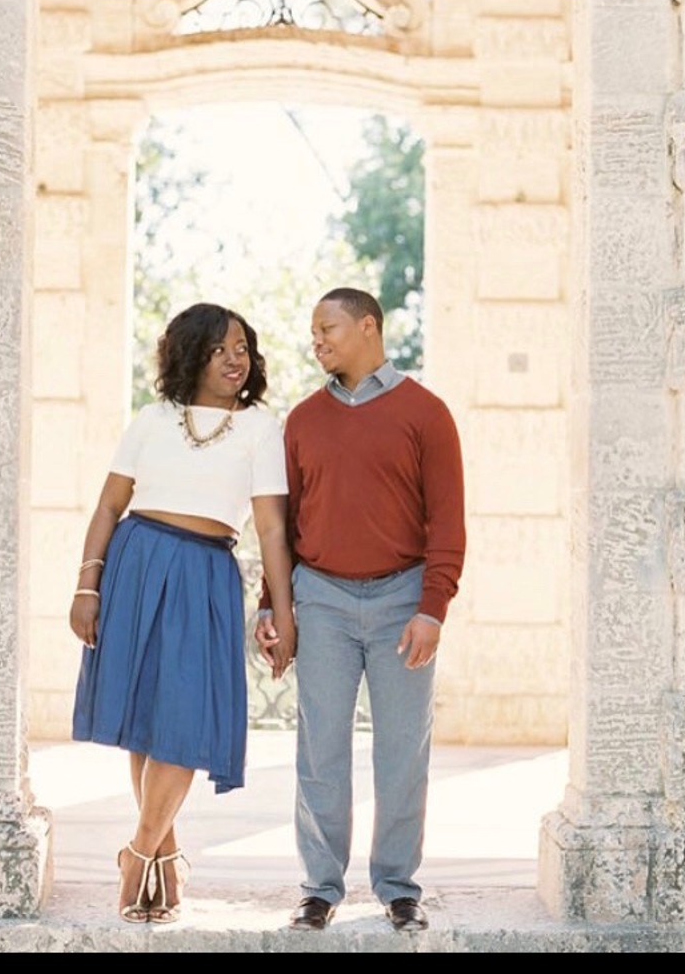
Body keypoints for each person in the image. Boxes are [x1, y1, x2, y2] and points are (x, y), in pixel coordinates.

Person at [70, 302, 297, 926]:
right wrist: (87, 586)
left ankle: (138, 851)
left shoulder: (260, 428)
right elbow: (108, 506)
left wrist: (283, 607)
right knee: (147, 714)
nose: (235, 358)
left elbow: (273, 530)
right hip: (137, 562)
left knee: (186, 717)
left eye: (243, 348)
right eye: (222, 347)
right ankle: (164, 859)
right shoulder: (151, 419)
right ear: (189, 352)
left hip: (208, 571)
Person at [256, 287, 466, 934]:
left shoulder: (427, 414)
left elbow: (447, 521)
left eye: (328, 329)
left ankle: (399, 887)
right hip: (322, 598)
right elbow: (283, 525)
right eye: (312, 331)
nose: (316, 340)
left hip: (403, 598)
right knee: (320, 749)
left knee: (403, 749)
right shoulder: (302, 421)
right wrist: (273, 604)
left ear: (368, 327)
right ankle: (319, 889)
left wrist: (433, 607)